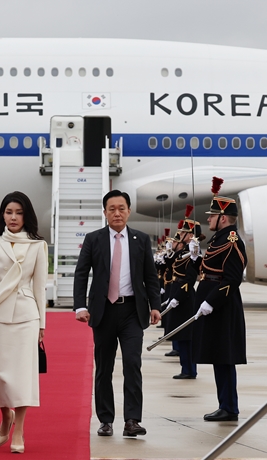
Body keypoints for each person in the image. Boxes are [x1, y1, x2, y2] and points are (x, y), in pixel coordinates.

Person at [73, 190, 162, 438]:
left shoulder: (141, 240)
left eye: (121, 208)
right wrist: (80, 306)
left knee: (133, 364)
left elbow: (150, 276)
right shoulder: (94, 239)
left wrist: (156, 305)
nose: (117, 213)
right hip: (103, 312)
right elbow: (81, 273)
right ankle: (106, 420)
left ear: (129, 211)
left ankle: (132, 420)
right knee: (104, 367)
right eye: (111, 209)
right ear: (104, 213)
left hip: (132, 311)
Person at [0, 192, 48, 454]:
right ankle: (6, 415)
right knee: (0, 375)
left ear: (26, 215)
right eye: (8, 212)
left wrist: (42, 326)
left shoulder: (37, 245)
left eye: (18, 212)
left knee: (24, 376)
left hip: (27, 315)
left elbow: (40, 287)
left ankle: (19, 429)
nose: (13, 217)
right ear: (2, 215)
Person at [191, 177, 247, 422]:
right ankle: (224, 404)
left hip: (222, 307)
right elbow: (208, 270)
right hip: (215, 307)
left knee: (224, 358)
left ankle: (229, 407)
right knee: (217, 357)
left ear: (223, 218)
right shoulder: (218, 239)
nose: (208, 219)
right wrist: (194, 257)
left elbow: (232, 279)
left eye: (212, 216)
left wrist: (211, 301)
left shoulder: (232, 241)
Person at [163, 206, 201, 380]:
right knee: (181, 334)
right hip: (178, 292)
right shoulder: (183, 253)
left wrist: (178, 297)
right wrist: (170, 251)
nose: (181, 235)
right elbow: (170, 265)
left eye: (184, 233)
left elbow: (190, 277)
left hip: (185, 296)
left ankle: (189, 369)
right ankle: (186, 368)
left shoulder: (192, 253)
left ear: (191, 235)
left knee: (186, 336)